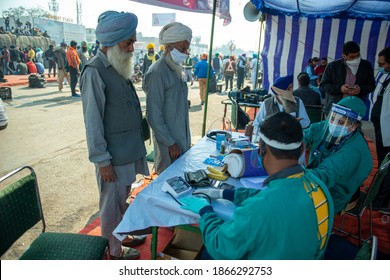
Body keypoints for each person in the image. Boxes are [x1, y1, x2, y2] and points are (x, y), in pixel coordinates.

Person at [181, 112, 334, 259]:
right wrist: (225, 194)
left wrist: (205, 211)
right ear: (301, 149)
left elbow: (220, 245)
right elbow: (275, 197)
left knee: (207, 255)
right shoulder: (318, 187)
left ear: (261, 148)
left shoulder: (258, 209)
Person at [80, 10, 150, 260]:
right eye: (128, 42)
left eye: (132, 41)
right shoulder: (94, 70)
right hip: (112, 157)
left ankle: (120, 235)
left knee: (122, 200)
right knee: (111, 206)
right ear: (110, 41)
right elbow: (93, 122)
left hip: (127, 150)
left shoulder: (117, 64)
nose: (132, 47)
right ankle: (114, 250)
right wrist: (102, 160)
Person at [304, 96, 373, 213]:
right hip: (319, 179)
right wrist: (292, 142)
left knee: (293, 204)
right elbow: (307, 134)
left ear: (354, 125)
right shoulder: (326, 127)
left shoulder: (353, 150)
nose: (334, 124)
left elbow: (325, 174)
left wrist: (295, 175)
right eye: (332, 119)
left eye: (341, 122)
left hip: (336, 192)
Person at [143, 22, 193, 174]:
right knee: (166, 184)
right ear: (169, 47)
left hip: (181, 141)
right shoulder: (157, 72)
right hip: (169, 146)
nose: (186, 52)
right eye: (182, 48)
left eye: (187, 48)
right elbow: (153, 115)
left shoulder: (177, 69)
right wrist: (171, 143)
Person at [320, 41, 375, 117]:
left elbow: (371, 85)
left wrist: (360, 89)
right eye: (352, 57)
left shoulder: (366, 66)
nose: (356, 59)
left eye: (358, 55)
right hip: (335, 107)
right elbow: (323, 85)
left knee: (353, 128)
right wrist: (340, 89)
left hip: (355, 108)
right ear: (344, 56)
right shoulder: (333, 66)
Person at [371, 47, 390, 210]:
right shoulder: (387, 77)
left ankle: (381, 202)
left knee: (387, 168)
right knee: (383, 165)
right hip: (381, 130)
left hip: (387, 133)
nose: (381, 67)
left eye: (383, 64)